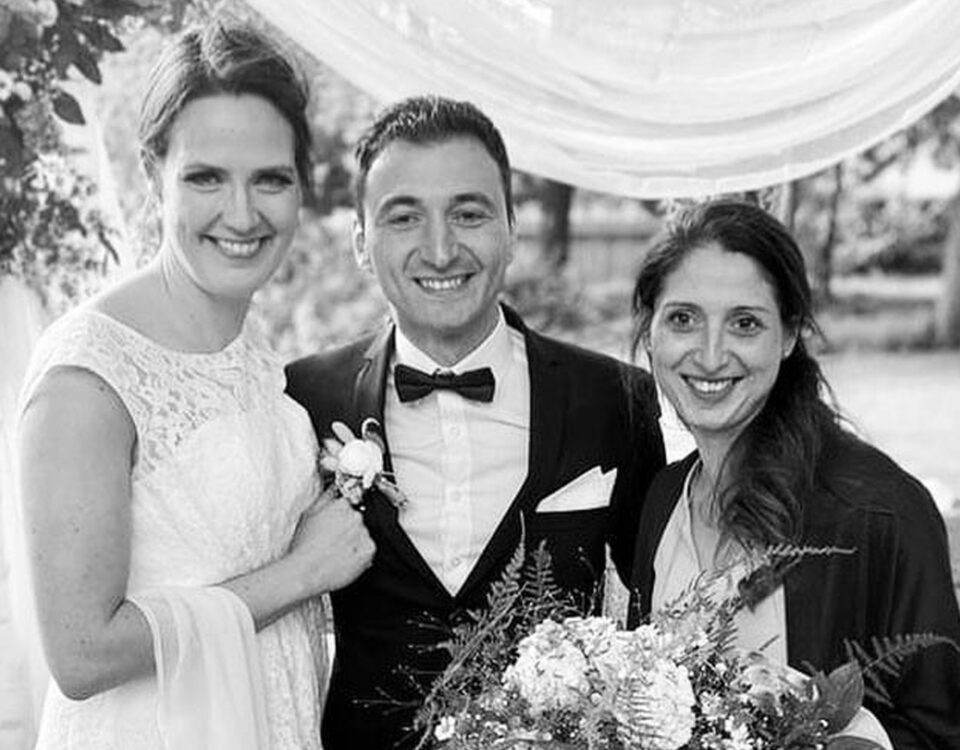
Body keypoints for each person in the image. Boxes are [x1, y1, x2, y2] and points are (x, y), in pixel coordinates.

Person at [16, 21, 375, 750]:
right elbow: (81, 654)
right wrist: (302, 573)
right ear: (154, 174)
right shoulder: (89, 376)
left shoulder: (251, 347)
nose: (241, 214)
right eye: (205, 177)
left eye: (270, 179)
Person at [285, 95, 666, 749]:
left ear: (511, 230)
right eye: (404, 217)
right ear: (361, 242)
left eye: (469, 213)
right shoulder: (304, 399)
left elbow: (658, 614)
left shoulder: (615, 399)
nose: (440, 249)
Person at [628, 198, 960, 749]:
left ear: (788, 336)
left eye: (745, 323)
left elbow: (939, 731)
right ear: (650, 332)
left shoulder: (880, 513)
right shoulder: (663, 498)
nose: (710, 355)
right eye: (683, 319)